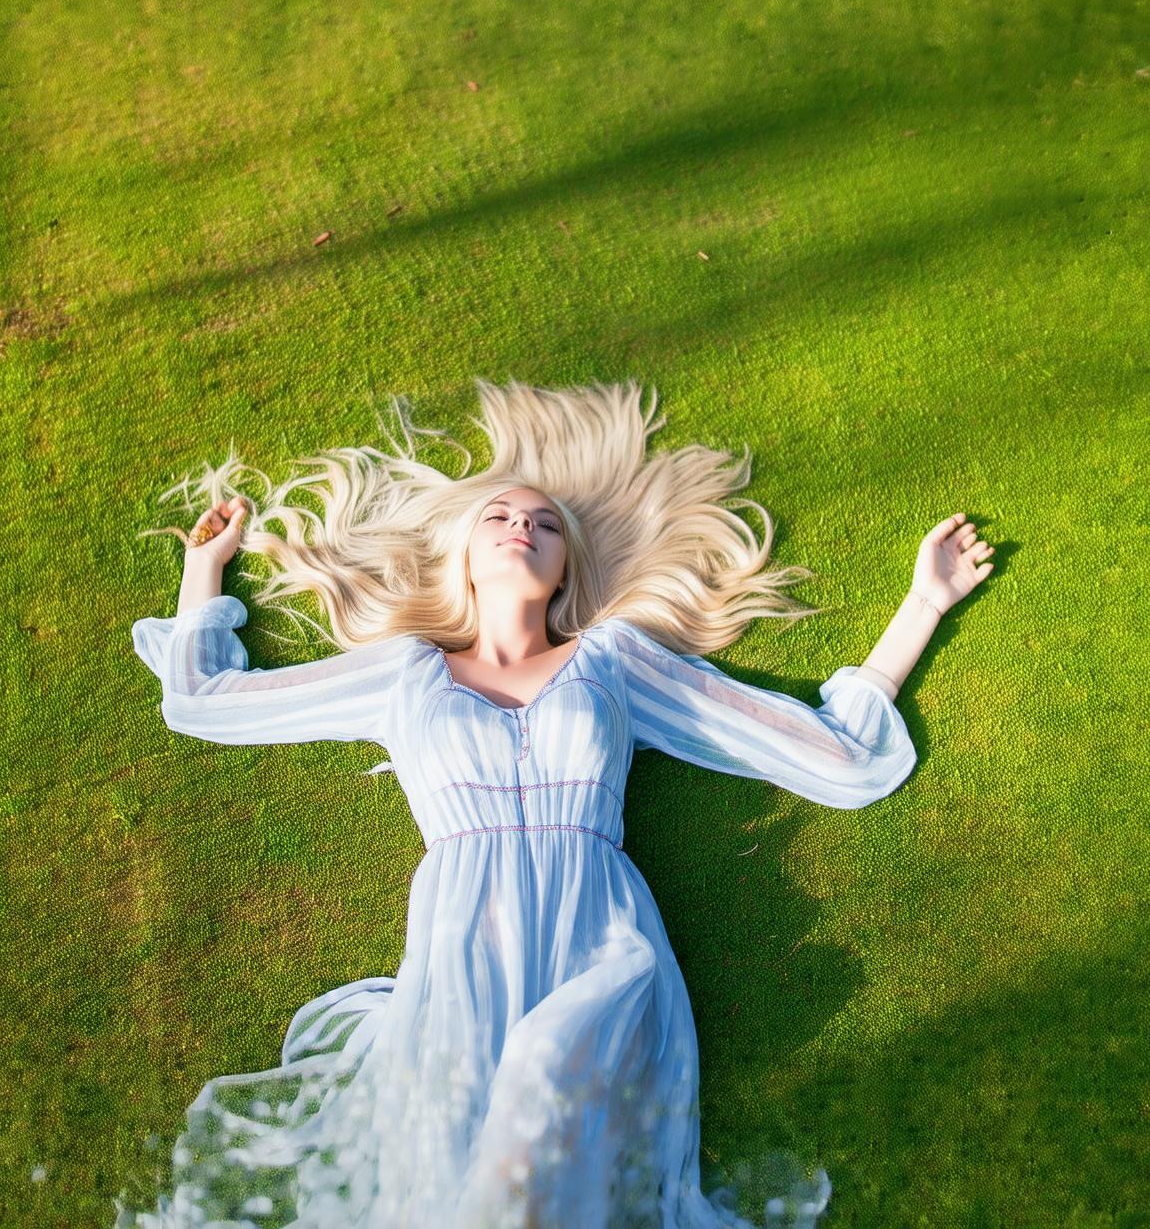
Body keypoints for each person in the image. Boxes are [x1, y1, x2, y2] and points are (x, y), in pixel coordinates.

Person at [114, 379, 995, 1229]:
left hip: (600, 945)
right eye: (498, 516)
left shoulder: (613, 662)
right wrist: (205, 569)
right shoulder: (403, 674)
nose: (520, 527)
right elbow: (205, 699)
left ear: (566, 563)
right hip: (463, 958)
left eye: (543, 524)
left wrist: (923, 603)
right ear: (465, 552)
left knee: (542, 1084)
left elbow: (826, 751)